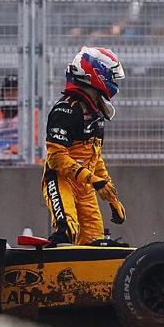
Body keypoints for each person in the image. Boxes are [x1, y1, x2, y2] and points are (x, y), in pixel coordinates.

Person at [42, 46, 126, 245]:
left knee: (94, 243)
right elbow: (56, 158)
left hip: (85, 187)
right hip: (61, 180)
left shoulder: (96, 113)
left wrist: (112, 197)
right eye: (111, 76)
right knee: (68, 228)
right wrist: (95, 181)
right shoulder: (65, 110)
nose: (114, 82)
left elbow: (95, 159)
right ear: (96, 74)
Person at [0, 75, 21, 167]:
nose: (10, 94)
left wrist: (12, 150)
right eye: (7, 90)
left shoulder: (29, 114)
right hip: (0, 160)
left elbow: (34, 142)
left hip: (22, 161)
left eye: (14, 91)